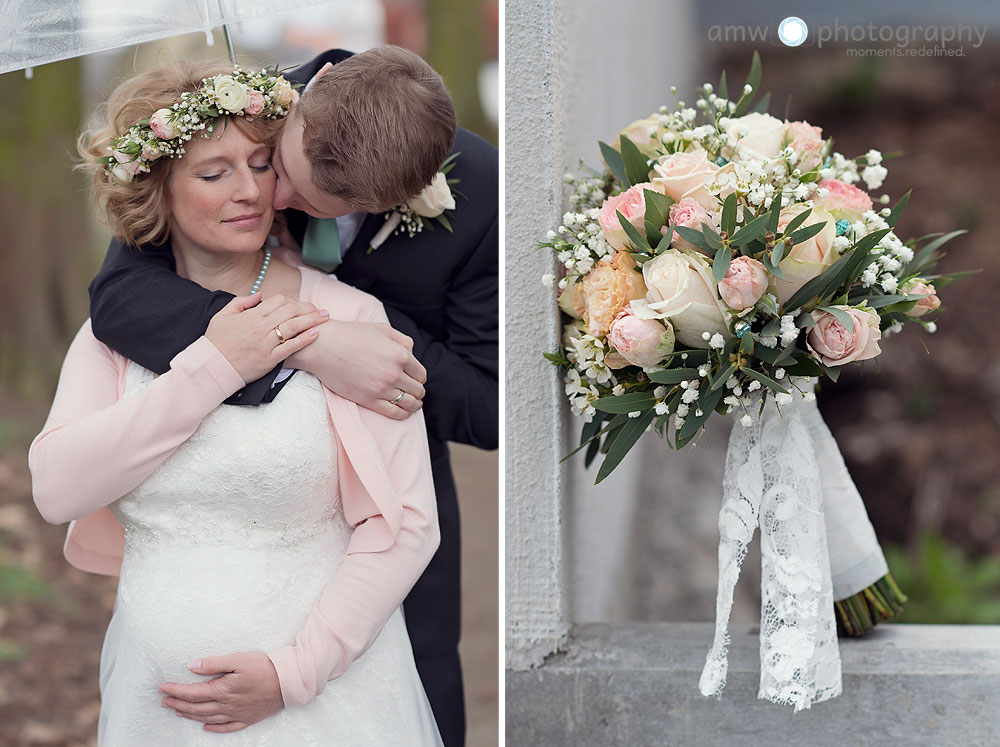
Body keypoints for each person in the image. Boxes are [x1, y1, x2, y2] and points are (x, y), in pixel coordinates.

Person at [87, 47, 499, 746]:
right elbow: (122, 299)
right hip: (240, 474)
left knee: (421, 690)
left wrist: (374, 331)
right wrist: (312, 337)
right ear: (315, 92)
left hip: (390, 483)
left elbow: (487, 406)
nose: (271, 200)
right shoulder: (236, 110)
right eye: (286, 169)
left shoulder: (483, 188)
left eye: (307, 206)